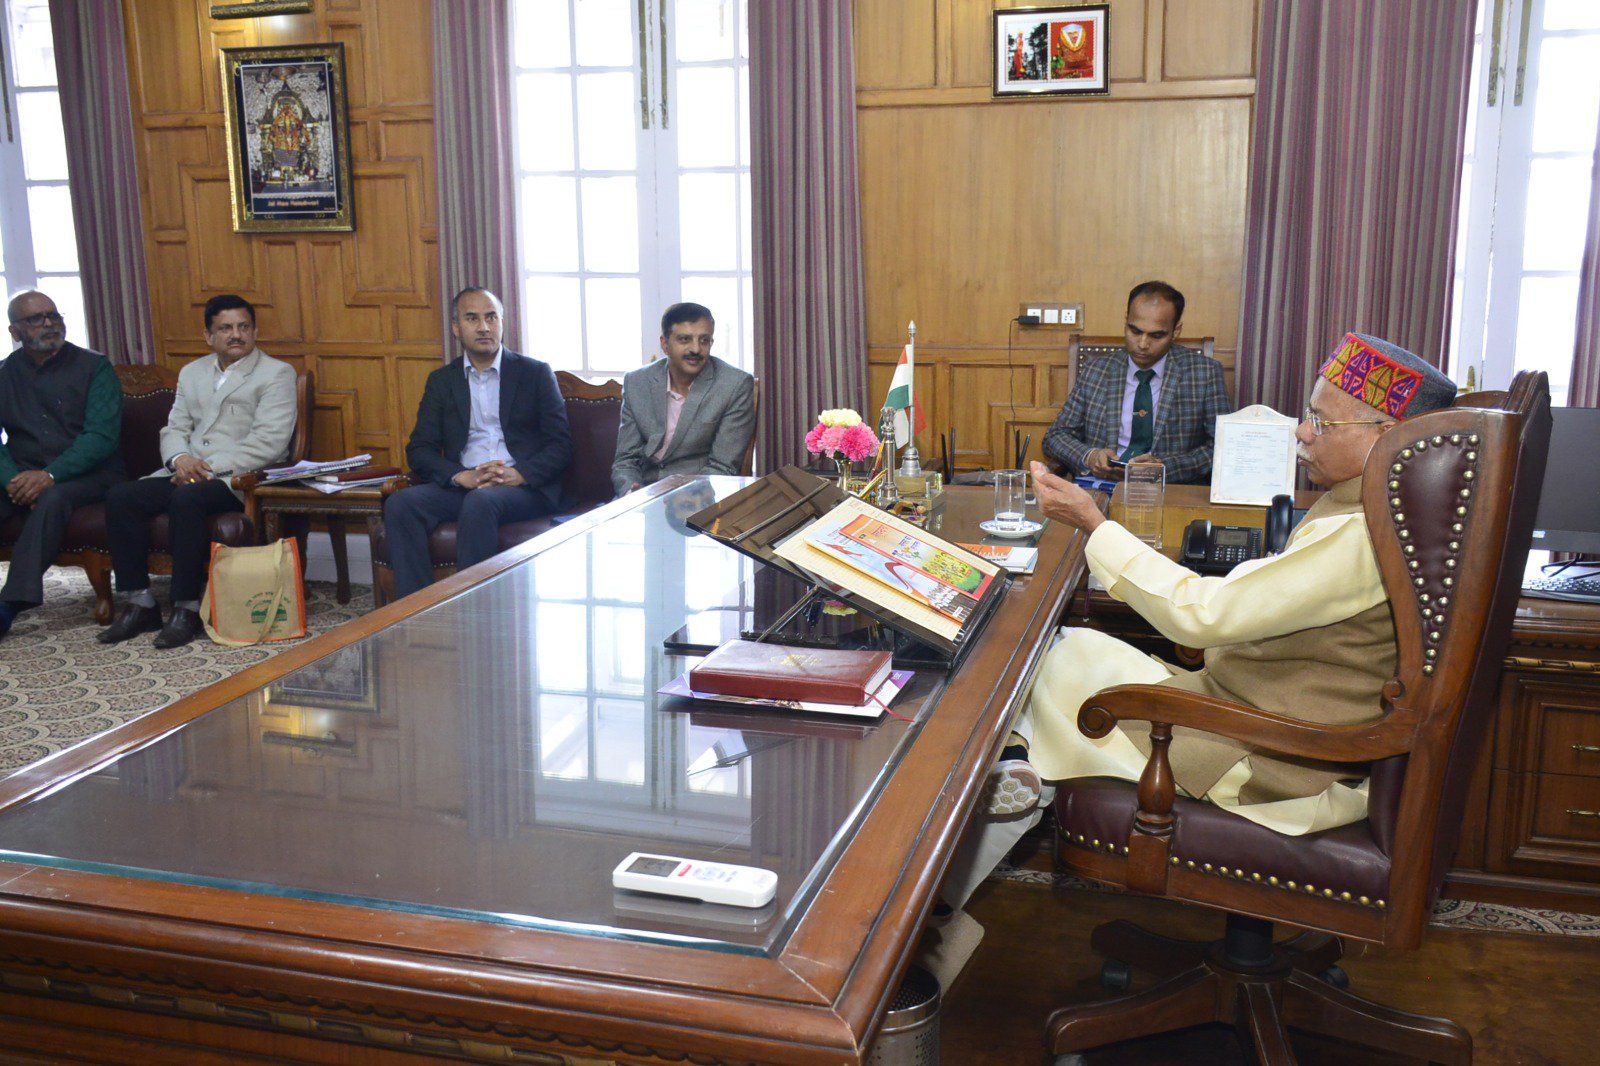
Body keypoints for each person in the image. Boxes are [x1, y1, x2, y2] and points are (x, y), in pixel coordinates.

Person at [938, 332, 1460, 932]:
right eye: (1307, 413)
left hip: (1274, 757)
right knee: (1066, 649)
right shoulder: (1370, 504)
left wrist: (1093, 524)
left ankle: (960, 872)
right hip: (1263, 709)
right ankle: (1010, 785)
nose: (1302, 432)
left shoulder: (1361, 533)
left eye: (1323, 422)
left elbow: (1204, 616)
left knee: (1042, 670)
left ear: (1388, 437)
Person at [99, 294, 297, 648]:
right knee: (122, 496)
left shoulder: (276, 373)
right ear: (209, 336)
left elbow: (269, 443)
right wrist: (179, 460)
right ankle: (140, 602)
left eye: (243, 327)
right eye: (226, 328)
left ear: (254, 331)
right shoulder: (192, 373)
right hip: (185, 471)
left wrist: (203, 469)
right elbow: (175, 427)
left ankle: (186, 608)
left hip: (237, 477)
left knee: (187, 499)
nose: (236, 335)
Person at [384, 287, 572, 599]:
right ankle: (415, 609)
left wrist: (520, 474)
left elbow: (560, 445)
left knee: (481, 502)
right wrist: (461, 476)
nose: (484, 327)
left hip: (523, 488)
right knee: (400, 504)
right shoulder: (442, 381)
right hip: (467, 485)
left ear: (502, 322)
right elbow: (419, 449)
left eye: (491, 318)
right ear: (456, 328)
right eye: (472, 319)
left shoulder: (535, 373)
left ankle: (472, 610)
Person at [0, 291, 125, 640]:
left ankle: (10, 604)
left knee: (53, 498)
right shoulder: (4, 373)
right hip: (24, 474)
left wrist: (50, 475)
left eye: (54, 315)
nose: (49, 324)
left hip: (92, 475)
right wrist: (11, 480)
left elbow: (101, 437)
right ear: (15, 331)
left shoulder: (94, 367)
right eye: (36, 319)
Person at [1042, 281, 1231, 485]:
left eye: (1156, 335)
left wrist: (1164, 468)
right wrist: (1090, 456)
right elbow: (1055, 437)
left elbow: (1222, 447)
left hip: (1168, 490)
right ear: (1126, 322)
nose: (1142, 344)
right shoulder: (1097, 370)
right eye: (1135, 331)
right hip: (1103, 487)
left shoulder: (1205, 373)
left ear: (1176, 331)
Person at [610, 302, 756, 498]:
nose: (696, 349)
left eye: (704, 340)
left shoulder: (734, 385)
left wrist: (674, 499)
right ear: (665, 344)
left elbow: (722, 467)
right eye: (685, 339)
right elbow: (626, 460)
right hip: (641, 497)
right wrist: (631, 492)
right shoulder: (637, 382)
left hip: (698, 498)